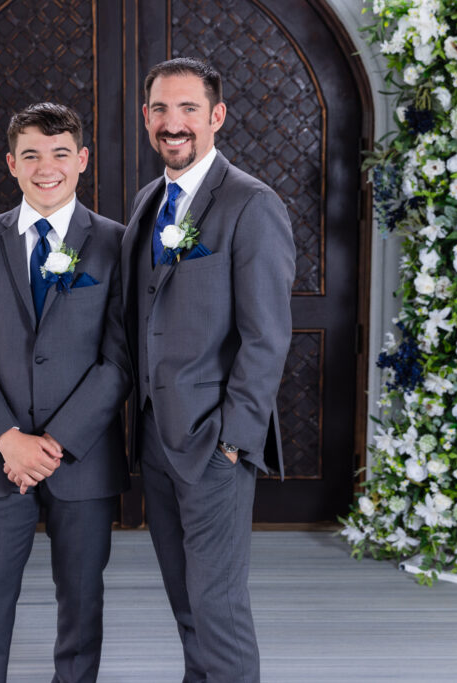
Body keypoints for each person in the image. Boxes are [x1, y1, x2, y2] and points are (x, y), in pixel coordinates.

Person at [119, 57, 294, 682]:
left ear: (216, 116)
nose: (174, 123)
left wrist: (232, 443)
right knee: (187, 604)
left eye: (189, 109)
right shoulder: (148, 201)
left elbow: (266, 337)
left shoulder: (252, 205)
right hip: (156, 439)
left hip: (213, 443)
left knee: (218, 608)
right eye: (161, 110)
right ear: (146, 119)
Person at [0, 102, 129, 683]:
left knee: (81, 604)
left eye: (58, 154)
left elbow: (118, 360)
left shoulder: (115, 244)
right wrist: (9, 440)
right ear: (11, 164)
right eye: (30, 155)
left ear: (81, 160)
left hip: (83, 458)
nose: (44, 167)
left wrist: (52, 443)